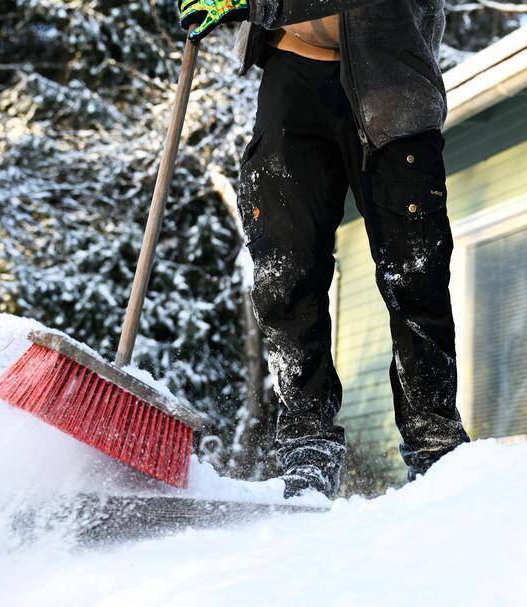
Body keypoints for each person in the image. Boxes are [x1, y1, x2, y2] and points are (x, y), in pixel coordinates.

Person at [178, 0, 469, 498]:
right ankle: (307, 443)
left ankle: (435, 442)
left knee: (416, 275)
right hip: (291, 74)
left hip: (392, 84)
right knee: (285, 273)